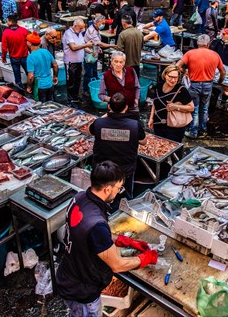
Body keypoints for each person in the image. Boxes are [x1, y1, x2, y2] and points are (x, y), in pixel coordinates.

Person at [56, 161, 157, 316]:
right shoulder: (97, 225)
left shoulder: (80, 197)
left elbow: (88, 235)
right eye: (118, 188)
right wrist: (145, 258)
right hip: (82, 291)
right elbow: (118, 265)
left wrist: (125, 240)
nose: (118, 192)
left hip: (68, 274)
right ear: (107, 189)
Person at [88, 93, 147, 199]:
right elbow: (143, 141)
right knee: (125, 198)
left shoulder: (99, 123)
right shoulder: (134, 125)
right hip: (125, 171)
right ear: (126, 107)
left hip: (102, 170)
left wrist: (106, 115)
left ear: (109, 106)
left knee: (101, 197)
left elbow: (89, 130)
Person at [176, 34, 225, 139]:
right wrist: (220, 81)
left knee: (195, 108)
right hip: (208, 84)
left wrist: (185, 71)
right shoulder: (215, 55)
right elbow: (223, 71)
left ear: (197, 43)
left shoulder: (190, 53)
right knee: (204, 109)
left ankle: (193, 132)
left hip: (194, 84)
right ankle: (203, 130)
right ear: (208, 44)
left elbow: (177, 65)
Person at [149, 64, 194, 143]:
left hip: (175, 128)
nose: (173, 80)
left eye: (175, 77)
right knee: (160, 148)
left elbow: (191, 107)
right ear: (165, 75)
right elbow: (154, 103)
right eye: (170, 77)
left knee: (174, 151)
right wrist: (151, 118)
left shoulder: (181, 90)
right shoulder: (158, 86)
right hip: (158, 124)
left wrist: (176, 107)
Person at [63, 18, 93, 106]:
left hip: (79, 61)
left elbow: (83, 46)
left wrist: (91, 51)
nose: (82, 30)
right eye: (80, 28)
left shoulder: (79, 34)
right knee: (71, 82)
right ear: (75, 26)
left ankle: (76, 97)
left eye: (83, 28)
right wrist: (87, 45)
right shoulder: (68, 34)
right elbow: (74, 47)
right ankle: (70, 100)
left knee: (78, 80)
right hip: (71, 62)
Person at [84, 15, 116, 95]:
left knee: (94, 72)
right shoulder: (92, 31)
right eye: (102, 23)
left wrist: (98, 49)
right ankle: (86, 90)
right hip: (89, 55)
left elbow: (96, 43)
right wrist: (111, 45)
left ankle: (95, 88)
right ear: (97, 23)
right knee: (89, 73)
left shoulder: (96, 29)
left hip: (94, 54)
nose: (103, 25)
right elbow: (99, 43)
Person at [26, 32, 58, 102]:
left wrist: (29, 87)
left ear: (30, 43)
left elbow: (31, 76)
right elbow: (55, 65)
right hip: (50, 84)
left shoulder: (30, 57)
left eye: (27, 41)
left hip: (39, 86)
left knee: (40, 106)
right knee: (50, 104)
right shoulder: (46, 51)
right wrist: (55, 76)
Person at [1, 14, 29, 89]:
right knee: (29, 73)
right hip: (24, 56)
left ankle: (20, 91)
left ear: (10, 22)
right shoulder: (24, 31)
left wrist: (3, 57)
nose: (6, 23)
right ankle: (32, 87)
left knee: (17, 76)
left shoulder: (6, 32)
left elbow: (4, 48)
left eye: (7, 21)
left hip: (14, 58)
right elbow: (29, 43)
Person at [116, 14, 144, 79]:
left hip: (126, 66)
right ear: (132, 22)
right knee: (135, 84)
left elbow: (119, 51)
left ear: (123, 23)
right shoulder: (140, 33)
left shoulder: (123, 34)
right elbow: (141, 46)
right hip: (137, 65)